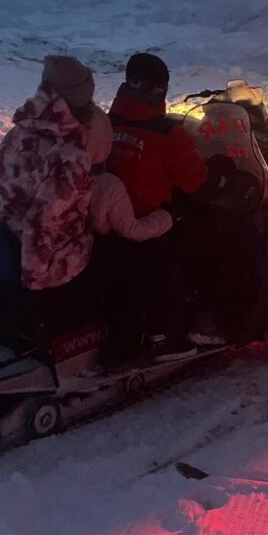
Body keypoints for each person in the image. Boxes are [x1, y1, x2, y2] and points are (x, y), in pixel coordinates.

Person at [106, 53, 212, 361]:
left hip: (103, 220)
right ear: (158, 90)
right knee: (186, 251)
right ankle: (167, 335)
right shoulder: (166, 134)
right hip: (144, 222)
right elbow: (195, 182)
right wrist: (216, 170)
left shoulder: (107, 123)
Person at [0, 55, 96, 290]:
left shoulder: (18, 132)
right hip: (39, 256)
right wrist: (34, 279)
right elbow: (43, 222)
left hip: (4, 237)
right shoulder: (68, 153)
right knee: (96, 247)